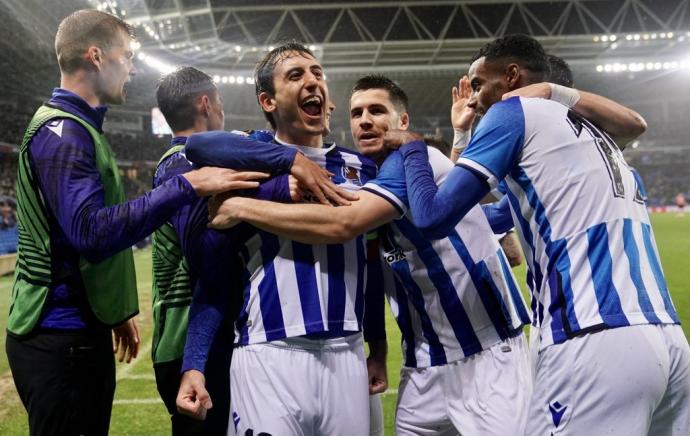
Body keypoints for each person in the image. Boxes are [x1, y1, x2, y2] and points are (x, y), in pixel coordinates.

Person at [385, 34, 690, 434]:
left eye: (478, 84)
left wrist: (414, 149)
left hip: (592, 335)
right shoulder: (595, 140)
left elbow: (433, 217)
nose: (474, 100)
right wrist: (463, 137)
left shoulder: (514, 111)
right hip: (667, 343)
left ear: (512, 77)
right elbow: (480, 219)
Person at [208, 74, 533, 434]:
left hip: (486, 357)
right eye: (357, 113)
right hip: (423, 362)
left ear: (403, 122)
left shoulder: (416, 156)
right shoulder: (373, 179)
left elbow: (342, 224)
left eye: (377, 111)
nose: (365, 120)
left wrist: (240, 207)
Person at [4, 9, 261, 436]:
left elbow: (75, 237)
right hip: (59, 336)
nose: (133, 66)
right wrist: (187, 187)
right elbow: (91, 232)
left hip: (76, 329)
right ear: (96, 56)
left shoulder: (77, 129)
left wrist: (112, 310)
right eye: (126, 56)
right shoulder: (64, 134)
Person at [176, 41, 385, 436]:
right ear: (268, 101)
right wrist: (194, 362)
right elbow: (197, 145)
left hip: (348, 354)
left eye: (317, 74)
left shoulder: (363, 169)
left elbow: (371, 265)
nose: (312, 82)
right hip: (268, 353)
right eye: (296, 75)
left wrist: (378, 346)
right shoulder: (249, 161)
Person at [152, 67, 273, 434]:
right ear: (205, 104)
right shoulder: (184, 167)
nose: (223, 112)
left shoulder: (182, 163)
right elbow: (206, 257)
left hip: (196, 340)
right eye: (219, 103)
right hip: (192, 344)